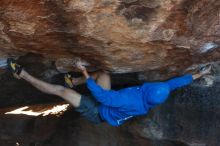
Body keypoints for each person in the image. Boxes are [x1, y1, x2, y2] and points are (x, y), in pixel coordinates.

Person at [7, 58, 211, 126]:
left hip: (97, 112)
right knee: (104, 74)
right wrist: (198, 75)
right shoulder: (157, 95)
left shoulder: (130, 98)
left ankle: (22, 75)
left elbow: (100, 96)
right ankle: (73, 81)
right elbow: (175, 83)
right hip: (109, 105)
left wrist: (83, 69)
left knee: (60, 91)